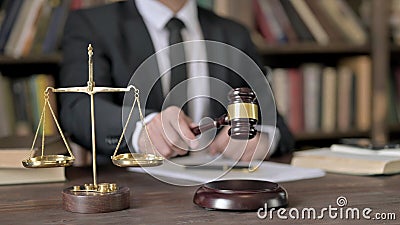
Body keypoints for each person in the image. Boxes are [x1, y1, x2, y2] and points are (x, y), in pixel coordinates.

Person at [59, 0, 294, 162]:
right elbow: (77, 109)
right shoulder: (90, 25)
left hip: (219, 186)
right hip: (131, 193)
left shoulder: (234, 34)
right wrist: (142, 128)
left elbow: (276, 124)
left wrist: (261, 140)